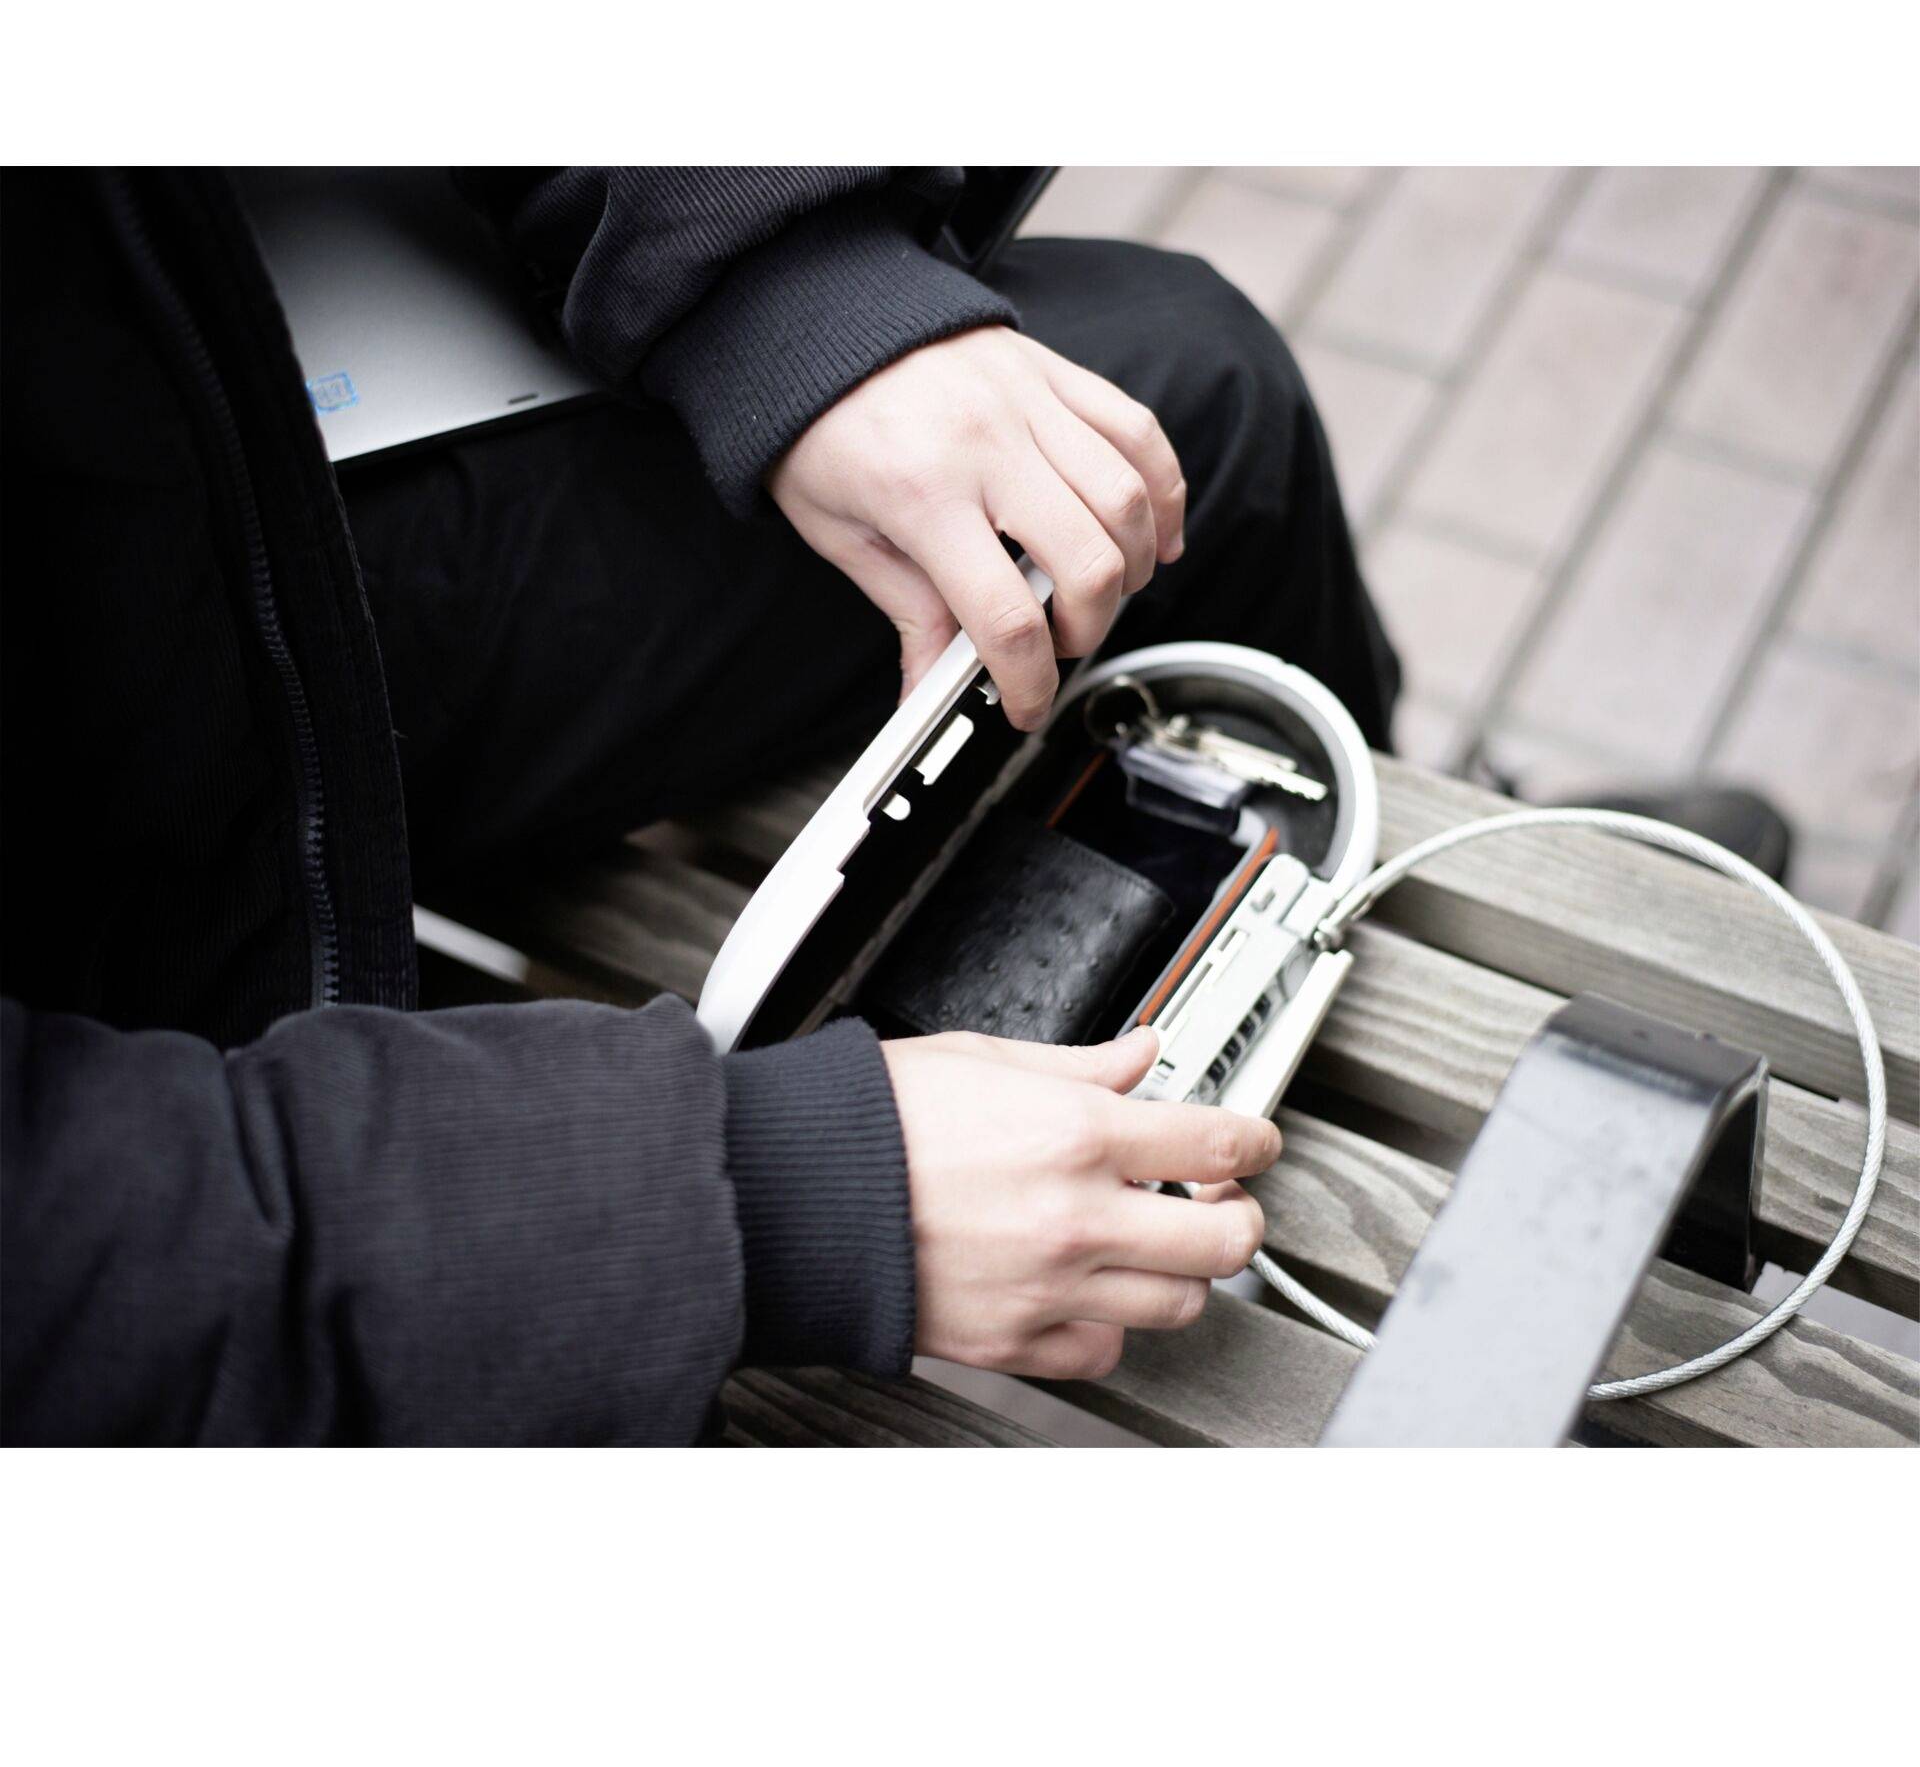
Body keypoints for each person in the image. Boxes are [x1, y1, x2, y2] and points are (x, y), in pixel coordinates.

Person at [0, 168, 1399, 1445]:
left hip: (180, 552)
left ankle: (1389, 912)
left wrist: (785, 290)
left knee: (1171, 409)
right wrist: (772, 1196)